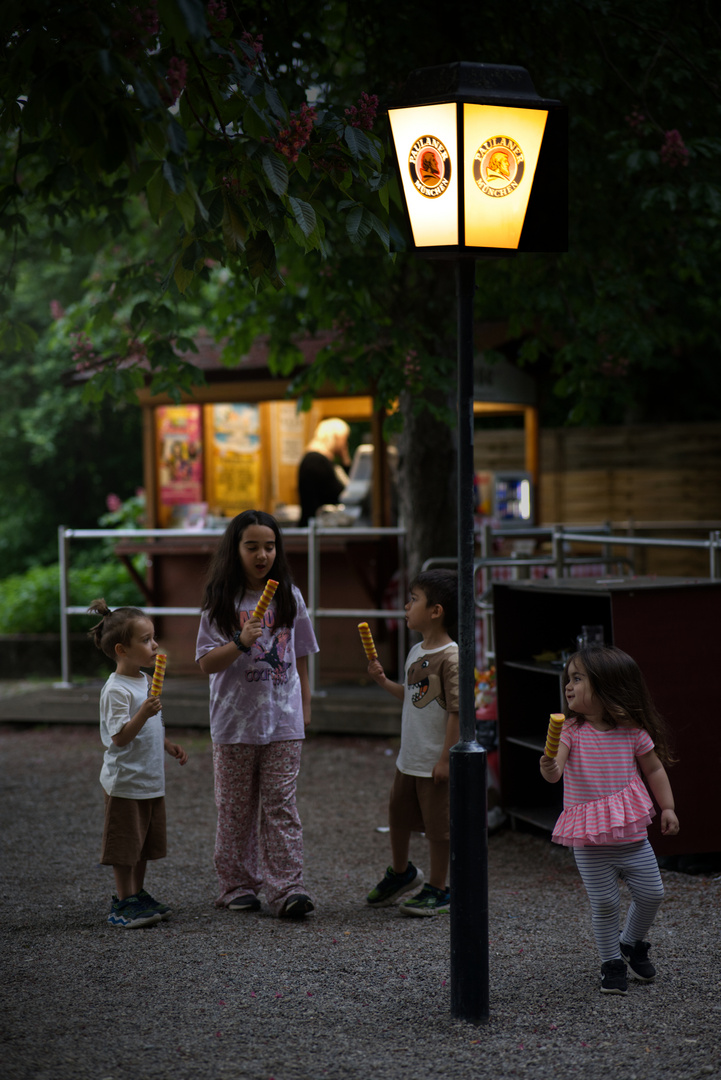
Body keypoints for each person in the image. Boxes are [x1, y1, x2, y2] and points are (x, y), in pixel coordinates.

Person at [195, 509, 319, 918]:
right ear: (236, 549)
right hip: (234, 723)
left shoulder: (289, 596)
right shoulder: (221, 601)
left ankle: (287, 888)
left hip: (283, 721)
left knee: (281, 804)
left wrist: (305, 706)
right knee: (235, 807)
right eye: (252, 547)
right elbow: (207, 663)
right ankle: (236, 885)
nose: (262, 554)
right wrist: (239, 641)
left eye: (269, 546)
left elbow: (301, 655)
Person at [540, 645, 680, 996]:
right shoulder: (570, 731)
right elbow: (556, 770)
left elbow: (654, 768)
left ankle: (631, 942)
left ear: (607, 686)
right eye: (567, 679)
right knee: (603, 903)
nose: (568, 686)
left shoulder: (631, 730)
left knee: (653, 893)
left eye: (577, 678)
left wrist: (668, 807)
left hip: (631, 834)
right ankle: (610, 962)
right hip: (589, 840)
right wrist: (549, 766)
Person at [88, 600, 189, 929]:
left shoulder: (145, 680)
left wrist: (168, 745)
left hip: (149, 779)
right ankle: (122, 901)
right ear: (122, 650)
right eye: (146, 640)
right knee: (125, 845)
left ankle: (138, 893)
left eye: (153, 637)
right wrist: (143, 712)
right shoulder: (116, 690)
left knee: (144, 842)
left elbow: (152, 727)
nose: (154, 645)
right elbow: (119, 737)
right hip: (126, 781)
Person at [365, 569, 459, 916]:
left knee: (437, 827)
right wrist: (383, 682)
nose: (406, 605)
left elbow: (457, 712)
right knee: (398, 814)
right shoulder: (417, 650)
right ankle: (402, 873)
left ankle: (438, 887)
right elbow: (412, 697)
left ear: (435, 611)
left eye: (414, 599)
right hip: (410, 758)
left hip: (434, 760)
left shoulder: (451, 657)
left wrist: (446, 760)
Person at [297, 417, 351, 526]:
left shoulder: (325, 461)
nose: (345, 443)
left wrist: (345, 459)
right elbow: (339, 494)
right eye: (344, 439)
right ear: (336, 437)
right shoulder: (316, 461)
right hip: (316, 527)